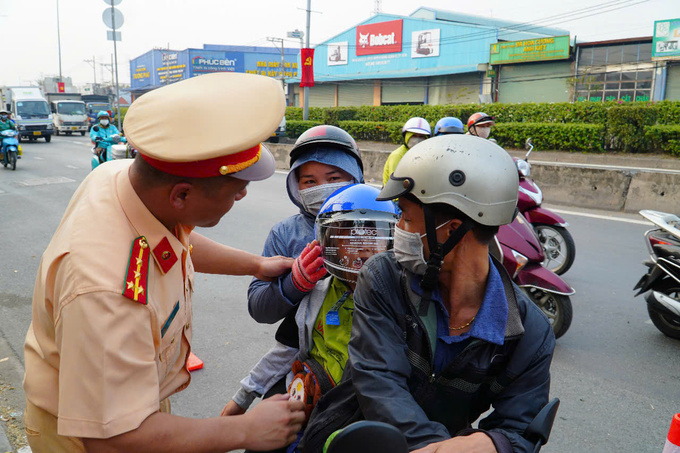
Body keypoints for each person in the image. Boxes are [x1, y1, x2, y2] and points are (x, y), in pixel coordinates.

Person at [22, 72, 305, 453]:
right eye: (237, 189)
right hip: (91, 432)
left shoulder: (123, 178)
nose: (241, 196)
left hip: (132, 402)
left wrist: (255, 265)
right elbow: (117, 435)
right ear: (181, 195)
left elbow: (176, 241)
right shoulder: (105, 290)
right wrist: (246, 430)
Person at [303, 135, 555, 453]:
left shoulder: (529, 333)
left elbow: (520, 429)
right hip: (347, 436)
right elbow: (380, 383)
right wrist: (437, 449)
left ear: (451, 229)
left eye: (407, 218)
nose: (399, 230)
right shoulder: (383, 278)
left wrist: (494, 443)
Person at [222, 184, 398, 453]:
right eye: (349, 237)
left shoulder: (401, 301)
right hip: (307, 398)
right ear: (330, 245)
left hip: (362, 413)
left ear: (392, 241)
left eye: (374, 237)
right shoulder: (318, 292)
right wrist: (242, 398)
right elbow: (286, 349)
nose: (363, 250)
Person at [245, 124, 363, 327]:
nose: (322, 188)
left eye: (334, 178)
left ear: (355, 178)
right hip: (302, 351)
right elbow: (259, 309)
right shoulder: (284, 233)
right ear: (296, 186)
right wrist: (295, 283)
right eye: (309, 182)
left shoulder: (381, 226)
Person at [382, 116, 431, 186]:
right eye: (414, 136)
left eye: (421, 136)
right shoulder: (397, 155)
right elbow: (395, 184)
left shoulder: (427, 155)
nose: (417, 139)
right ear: (406, 136)